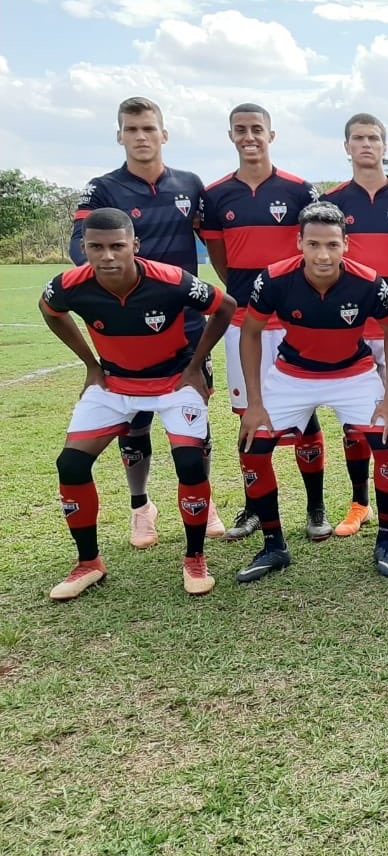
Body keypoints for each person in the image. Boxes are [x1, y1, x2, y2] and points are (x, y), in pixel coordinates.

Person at [42, 208, 234, 600]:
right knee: (71, 464)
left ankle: (195, 558)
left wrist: (195, 366)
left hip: (174, 380)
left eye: (117, 246)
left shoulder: (171, 280)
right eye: (96, 247)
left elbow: (225, 306)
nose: (107, 256)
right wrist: (91, 365)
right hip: (114, 382)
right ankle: (89, 563)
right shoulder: (68, 285)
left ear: (135, 245)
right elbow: (50, 312)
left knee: (190, 462)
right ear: (83, 248)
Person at [71, 96, 225, 544]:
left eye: (148, 128)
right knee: (133, 422)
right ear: (119, 135)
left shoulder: (189, 184)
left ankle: (203, 501)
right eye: (131, 129)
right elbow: (80, 245)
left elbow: (216, 238)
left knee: (195, 420)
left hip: (187, 327)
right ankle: (141, 507)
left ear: (164, 134)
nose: (141, 137)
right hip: (126, 328)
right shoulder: (103, 188)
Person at [234, 202, 388, 583]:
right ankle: (274, 545)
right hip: (293, 374)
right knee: (251, 446)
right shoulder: (273, 279)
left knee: (387, 444)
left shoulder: (368, 282)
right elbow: (250, 332)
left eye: (332, 245)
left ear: (346, 244)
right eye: (313, 244)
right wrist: (255, 403)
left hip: (353, 374)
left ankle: (386, 540)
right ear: (299, 243)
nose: (323, 255)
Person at [203, 102, 328, 543]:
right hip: (244, 321)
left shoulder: (300, 191)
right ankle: (255, 507)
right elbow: (220, 258)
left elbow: (316, 246)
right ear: (231, 136)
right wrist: (247, 290)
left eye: (257, 129)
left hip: (293, 320)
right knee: (249, 417)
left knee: (305, 413)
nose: (249, 136)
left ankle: (316, 506)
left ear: (271, 135)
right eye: (240, 129)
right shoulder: (215, 195)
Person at [322, 114, 388, 541]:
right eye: (358, 138)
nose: (366, 145)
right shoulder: (332, 202)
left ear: (385, 146)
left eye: (373, 138)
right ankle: (359, 502)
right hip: (351, 329)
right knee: (356, 422)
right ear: (346, 146)